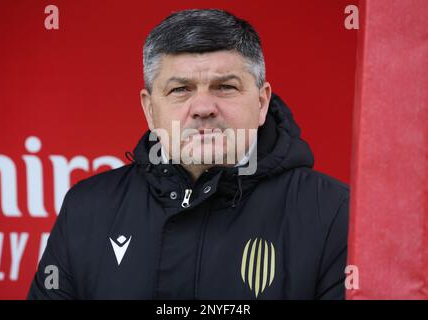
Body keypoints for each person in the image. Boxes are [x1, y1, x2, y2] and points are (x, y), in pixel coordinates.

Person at [28, 8, 349, 300]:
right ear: (150, 109)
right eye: (180, 89)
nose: (204, 108)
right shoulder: (86, 208)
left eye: (226, 87)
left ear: (262, 102)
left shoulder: (335, 214)